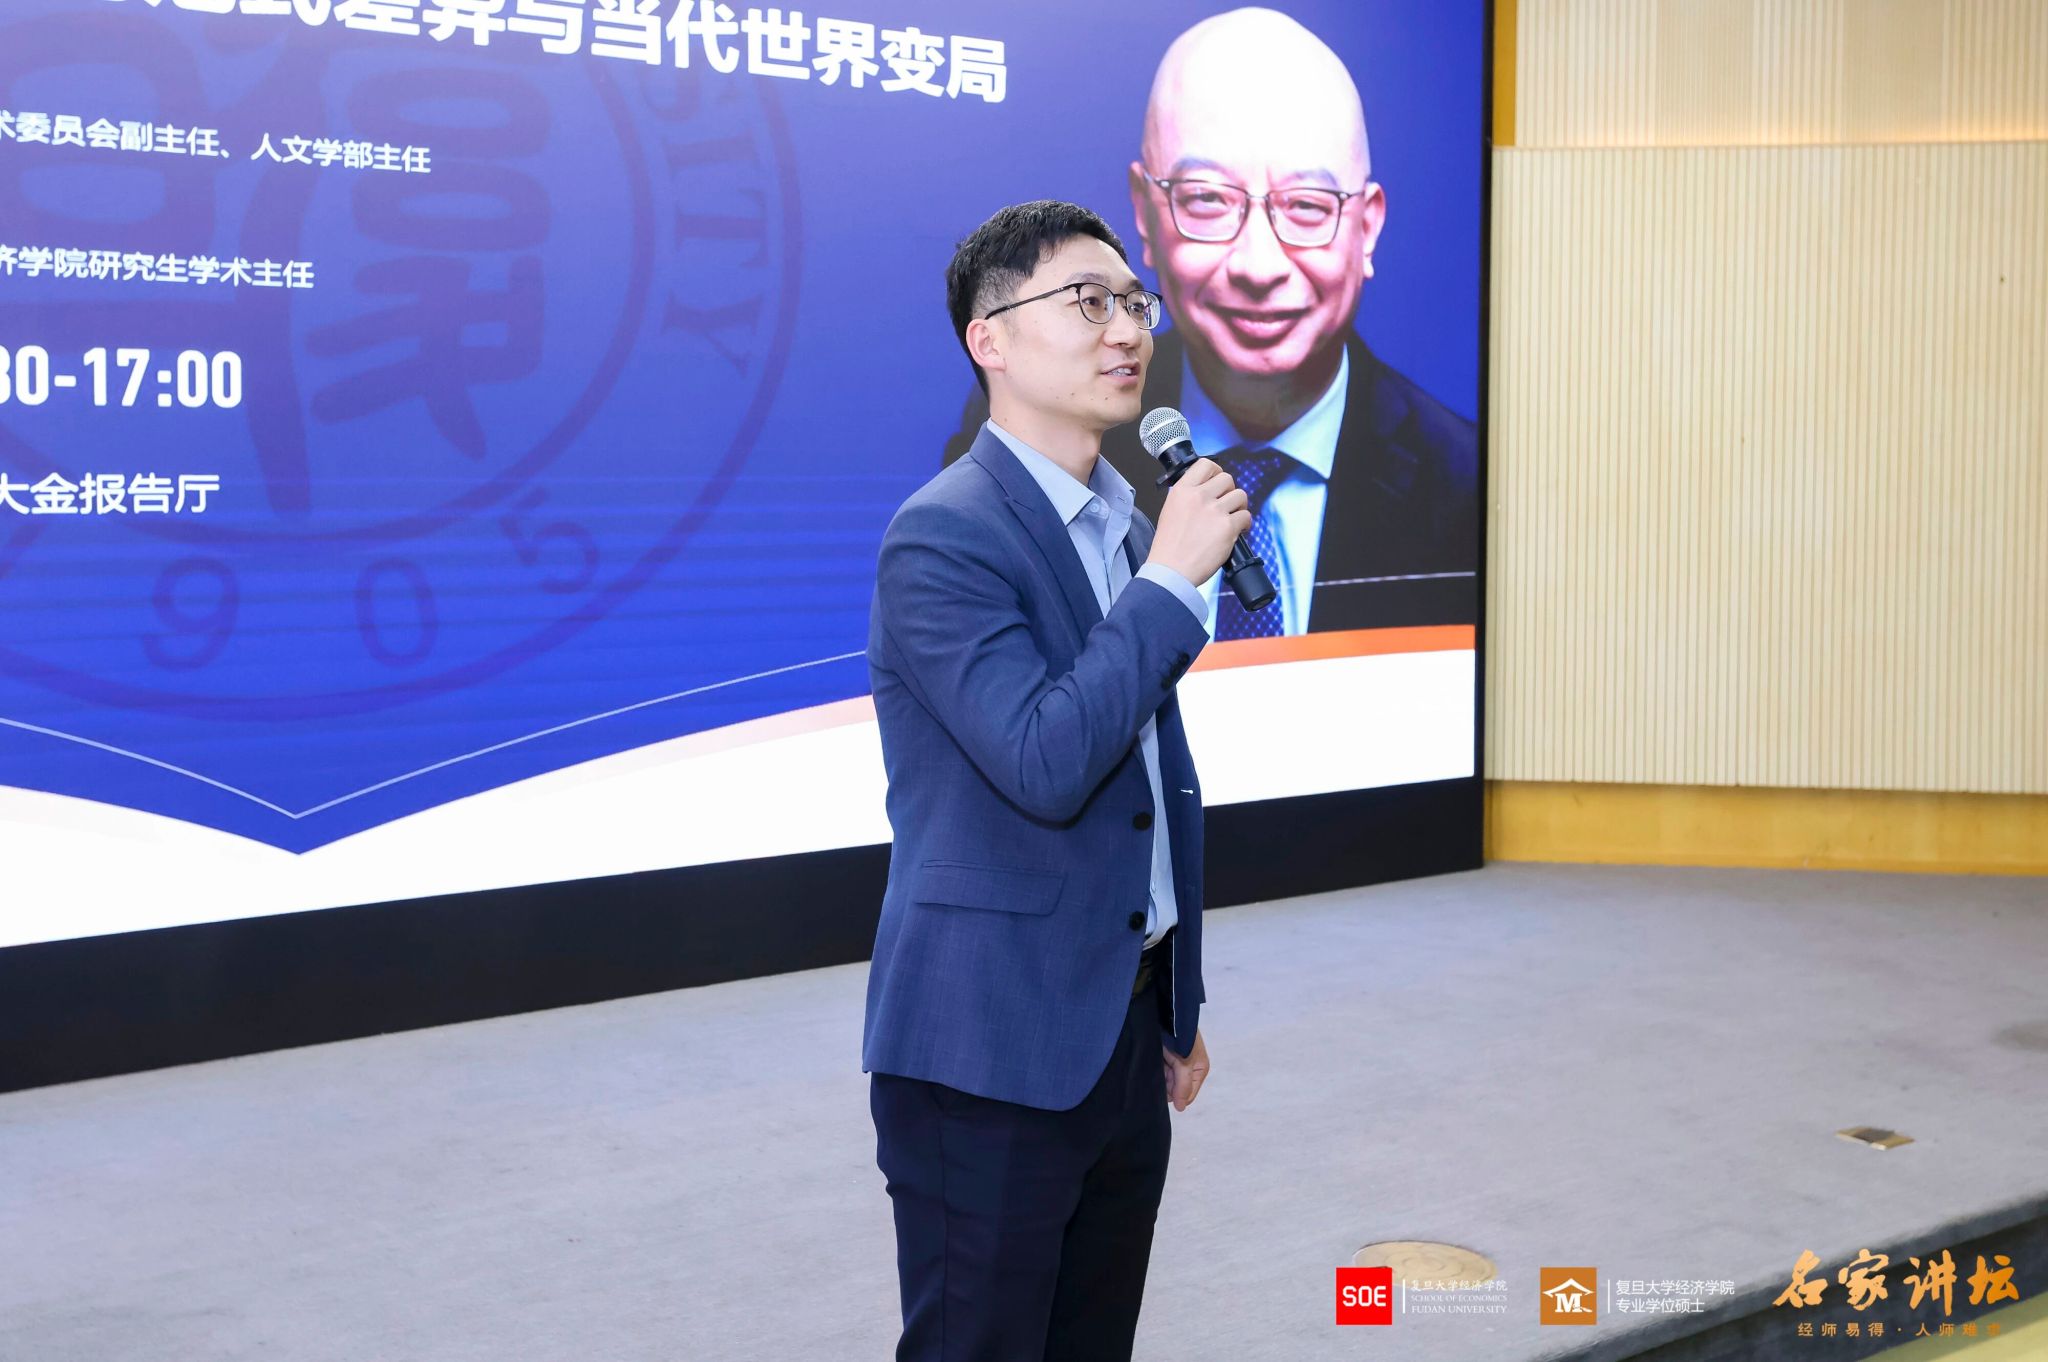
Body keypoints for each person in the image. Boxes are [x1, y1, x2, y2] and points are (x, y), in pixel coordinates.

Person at [863, 200, 1249, 1361]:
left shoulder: (1120, 527)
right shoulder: (943, 536)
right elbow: (1044, 761)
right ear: (987, 339)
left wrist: (1173, 1002)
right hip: (989, 1047)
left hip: (1118, 1026)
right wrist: (1172, 586)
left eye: (1133, 302)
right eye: (1087, 302)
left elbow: (1149, 784)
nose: (1126, 329)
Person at [944, 7, 1477, 635]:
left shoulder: (1464, 479)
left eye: (1307, 207)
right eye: (1206, 199)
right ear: (1145, 213)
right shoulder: (1040, 436)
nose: (1258, 265)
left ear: (1368, 226)